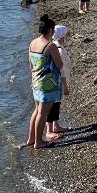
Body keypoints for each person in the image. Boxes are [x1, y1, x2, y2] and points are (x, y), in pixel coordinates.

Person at [24, 15, 63, 149]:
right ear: (50, 30)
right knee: (42, 113)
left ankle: (31, 138)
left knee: (36, 111)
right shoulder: (50, 45)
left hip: (35, 81)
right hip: (47, 84)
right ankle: (38, 142)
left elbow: (31, 64)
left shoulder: (32, 43)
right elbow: (60, 65)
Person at [45, 24, 73, 142]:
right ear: (62, 36)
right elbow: (61, 70)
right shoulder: (59, 50)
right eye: (67, 35)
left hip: (57, 81)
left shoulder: (57, 46)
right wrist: (65, 85)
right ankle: (49, 130)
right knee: (54, 105)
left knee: (57, 104)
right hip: (58, 82)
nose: (68, 37)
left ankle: (56, 126)